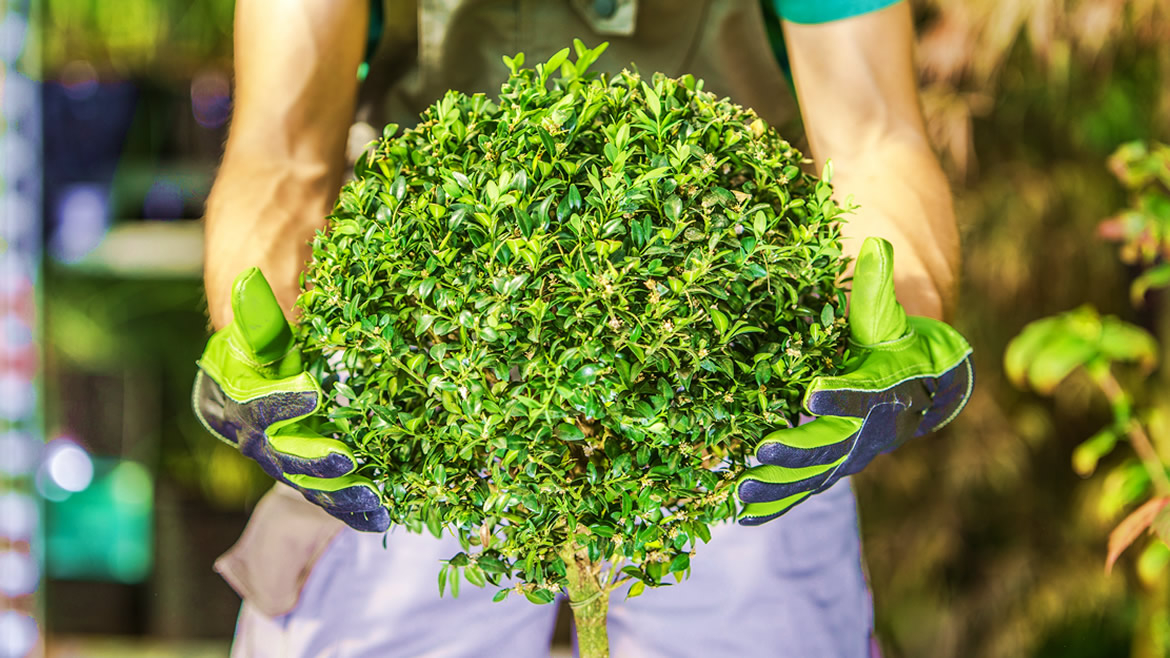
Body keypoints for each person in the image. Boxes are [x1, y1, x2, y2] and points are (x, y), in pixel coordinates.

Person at [196, 1, 971, 655]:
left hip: (736, 391)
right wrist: (266, 342)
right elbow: (283, 151)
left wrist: (899, 311)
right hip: (421, 387)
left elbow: (872, 137)